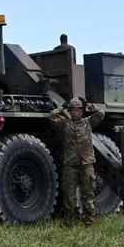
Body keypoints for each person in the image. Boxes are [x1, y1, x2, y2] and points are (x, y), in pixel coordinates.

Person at [48, 97, 105, 226]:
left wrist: (90, 105)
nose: (75, 113)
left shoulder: (88, 123)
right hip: (70, 163)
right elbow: (51, 116)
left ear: (82, 111)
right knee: (69, 194)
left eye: (78, 110)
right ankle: (69, 221)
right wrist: (62, 108)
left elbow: (101, 114)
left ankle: (89, 221)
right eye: (72, 110)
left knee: (88, 192)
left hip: (86, 163)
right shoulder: (65, 123)